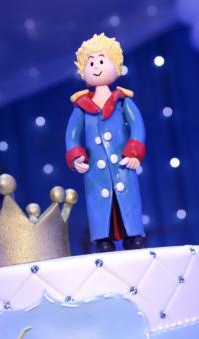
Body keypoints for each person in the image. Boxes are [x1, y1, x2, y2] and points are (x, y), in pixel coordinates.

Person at [65, 33, 147, 252]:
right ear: (82, 70)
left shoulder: (122, 101)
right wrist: (77, 157)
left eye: (101, 61)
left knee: (126, 199)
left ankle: (132, 235)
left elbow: (137, 126)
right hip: (95, 172)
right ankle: (103, 239)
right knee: (100, 205)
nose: (96, 67)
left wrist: (133, 152)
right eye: (90, 63)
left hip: (123, 166)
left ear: (115, 64)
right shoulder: (81, 106)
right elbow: (72, 135)